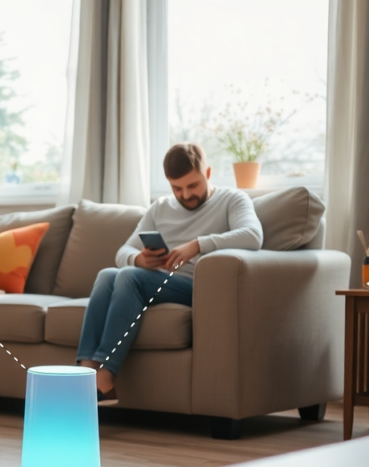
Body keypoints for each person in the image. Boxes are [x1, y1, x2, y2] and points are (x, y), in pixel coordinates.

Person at [76, 143, 263, 402]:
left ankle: (106, 378)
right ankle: (85, 375)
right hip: (157, 280)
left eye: (193, 185)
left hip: (197, 287)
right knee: (107, 275)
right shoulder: (160, 208)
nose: (186, 194)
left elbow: (253, 236)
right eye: (177, 188)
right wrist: (140, 259)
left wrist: (197, 244)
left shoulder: (232, 199)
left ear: (207, 173)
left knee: (128, 277)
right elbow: (123, 252)